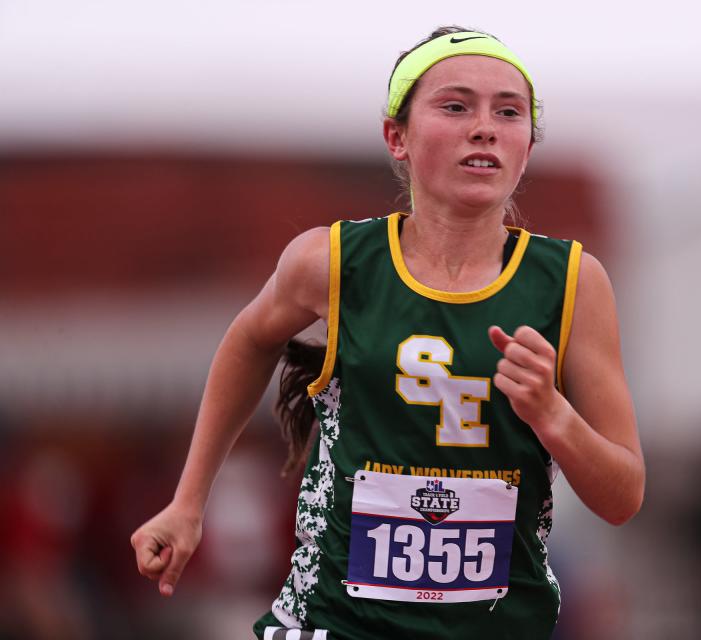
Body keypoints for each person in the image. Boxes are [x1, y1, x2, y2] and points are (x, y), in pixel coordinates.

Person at [131, 25, 645, 640]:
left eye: (508, 112)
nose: (483, 127)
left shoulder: (572, 282)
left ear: (526, 148)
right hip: (334, 622)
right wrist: (189, 504)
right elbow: (249, 340)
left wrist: (552, 414)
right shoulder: (333, 261)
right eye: (455, 107)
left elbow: (622, 497)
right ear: (396, 137)